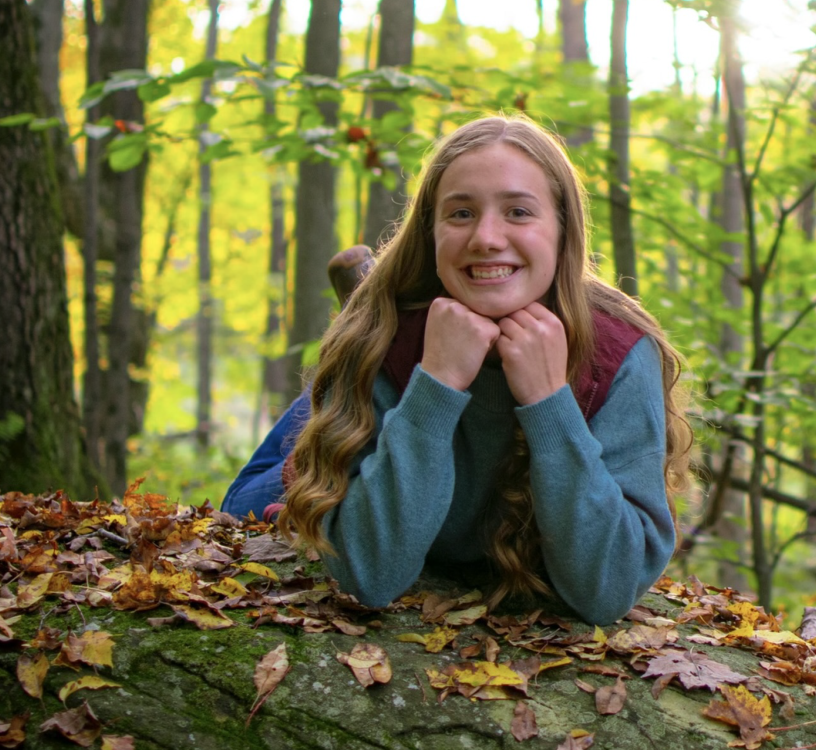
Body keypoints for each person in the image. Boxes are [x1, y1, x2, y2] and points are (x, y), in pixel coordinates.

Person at [222, 114, 692, 625]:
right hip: (315, 458)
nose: (486, 238)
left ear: (563, 229)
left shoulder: (620, 354)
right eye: (461, 213)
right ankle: (326, 401)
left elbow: (608, 591)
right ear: (431, 231)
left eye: (518, 211)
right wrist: (436, 382)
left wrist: (549, 401)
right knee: (256, 496)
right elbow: (369, 577)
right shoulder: (381, 335)